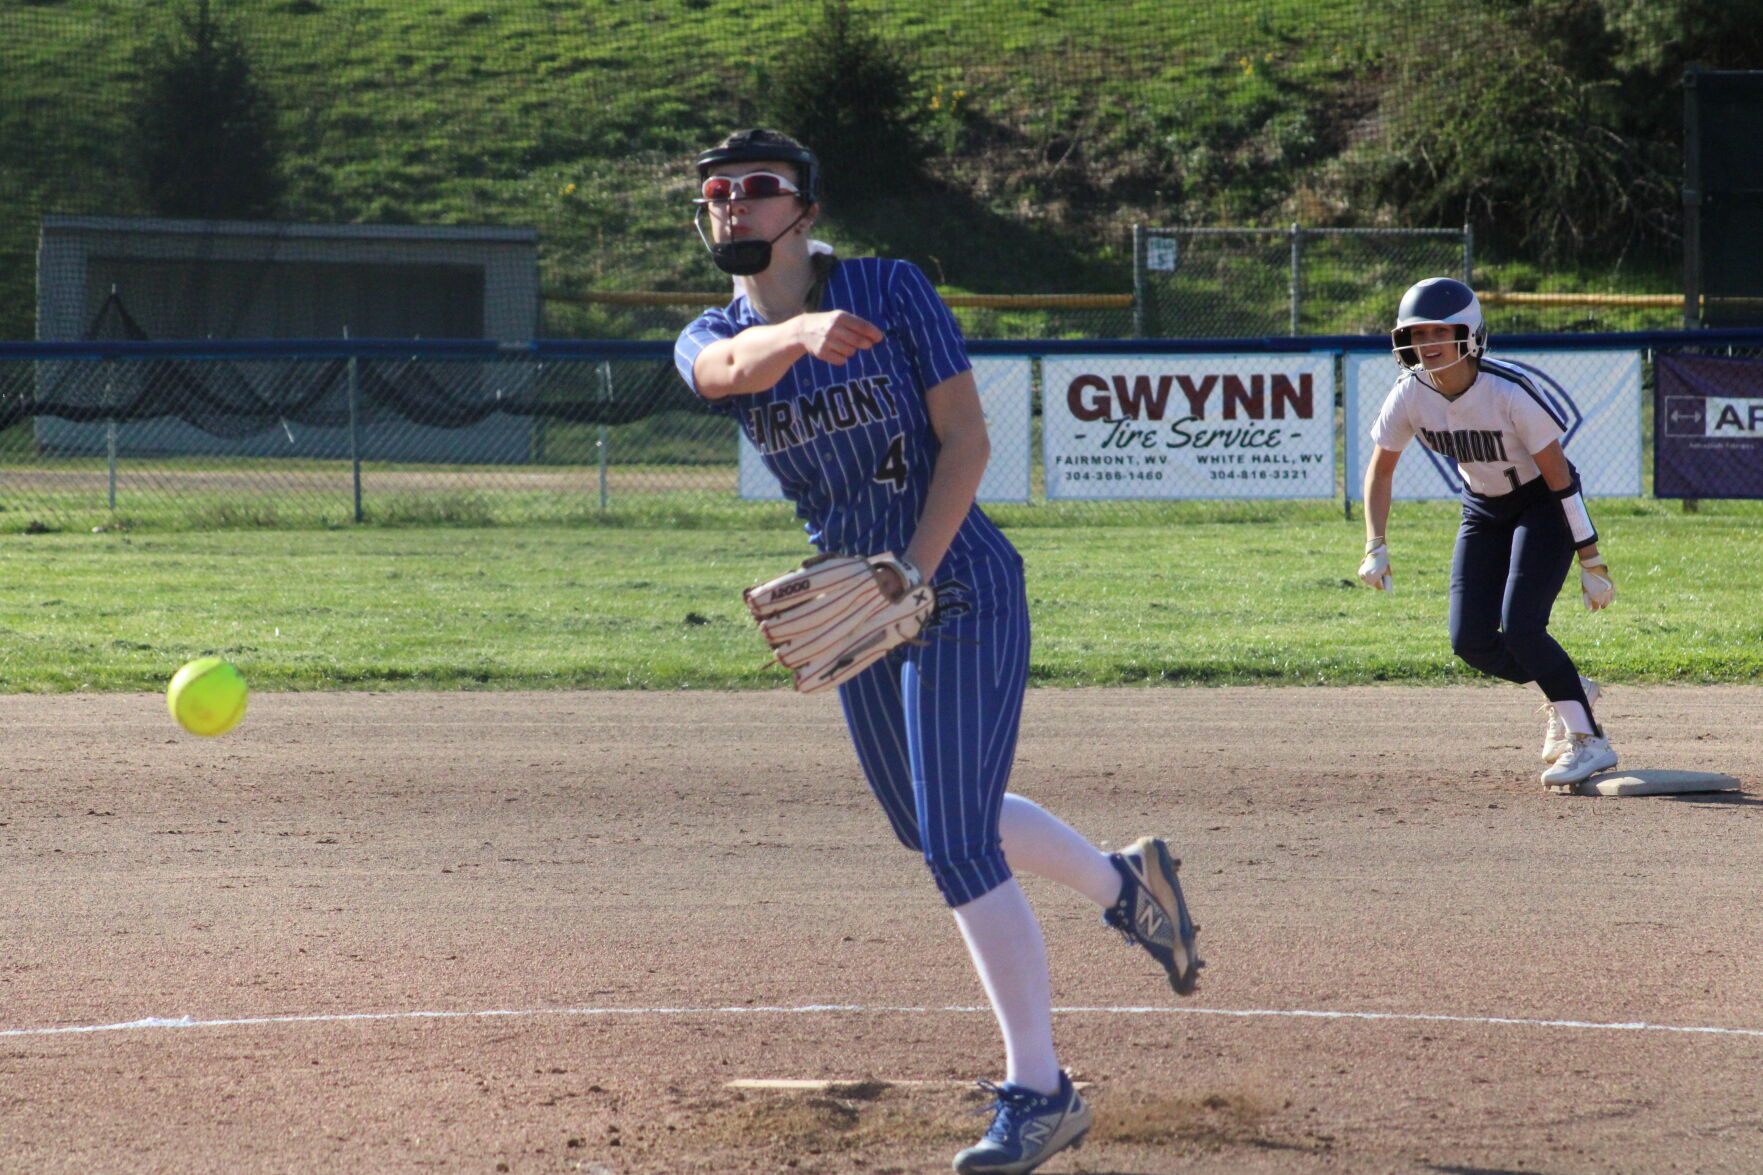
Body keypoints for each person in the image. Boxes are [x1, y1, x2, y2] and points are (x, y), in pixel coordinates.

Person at [673, 128, 1203, 1175]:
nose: (732, 205)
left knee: (957, 840)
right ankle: (1127, 886)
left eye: (758, 188)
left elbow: (965, 440)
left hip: (951, 575)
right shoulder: (706, 329)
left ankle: (1040, 1088)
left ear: (805, 210)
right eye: (716, 194)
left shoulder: (892, 288)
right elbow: (721, 370)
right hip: (851, 598)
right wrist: (799, 335)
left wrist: (910, 574)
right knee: (932, 821)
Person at [1359, 277, 1618, 792]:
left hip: (1541, 504)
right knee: (1470, 641)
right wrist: (1375, 543)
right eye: (1416, 333)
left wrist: (1591, 559)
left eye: (1440, 330)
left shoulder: (1507, 389)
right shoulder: (1409, 393)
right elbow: (1380, 470)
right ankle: (1568, 689)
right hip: (1481, 508)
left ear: (1470, 333)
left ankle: (1590, 743)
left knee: (1521, 626)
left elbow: (1559, 476)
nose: (1427, 343)